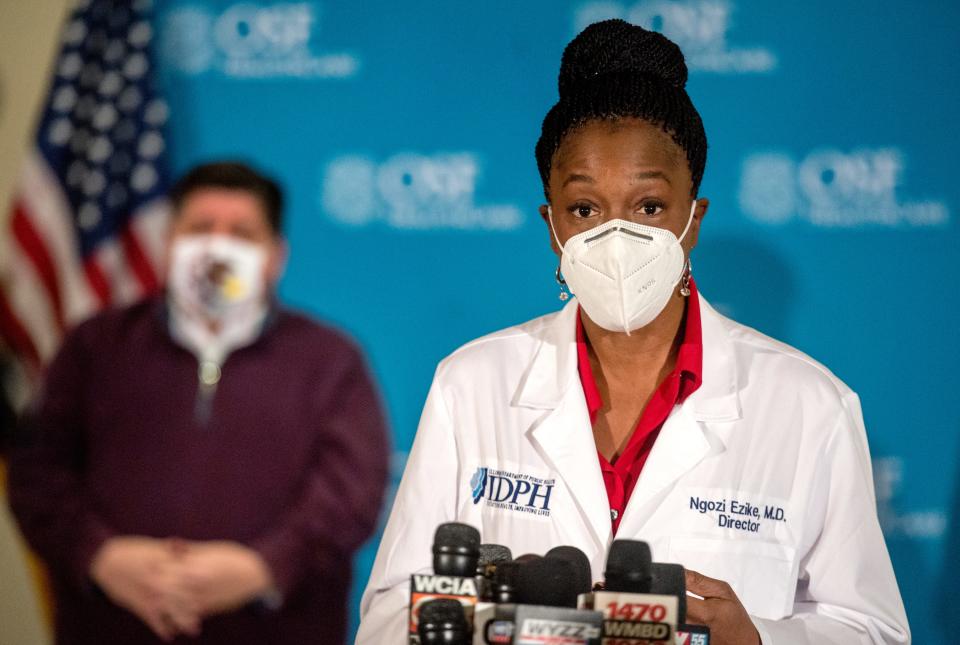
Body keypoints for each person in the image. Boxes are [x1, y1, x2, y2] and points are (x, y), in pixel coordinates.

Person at [357, 20, 909, 645]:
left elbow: (872, 631)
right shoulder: (472, 383)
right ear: (552, 227)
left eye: (648, 207)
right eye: (584, 209)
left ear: (692, 219)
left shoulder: (810, 404)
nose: (616, 237)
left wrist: (759, 640)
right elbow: (386, 614)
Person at [8, 161, 390, 644]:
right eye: (201, 228)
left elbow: (352, 490)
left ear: (276, 256)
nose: (217, 246)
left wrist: (264, 567)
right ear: (169, 243)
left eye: (241, 233)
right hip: (111, 627)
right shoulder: (96, 345)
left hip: (279, 631)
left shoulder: (330, 359)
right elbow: (37, 469)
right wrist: (101, 556)